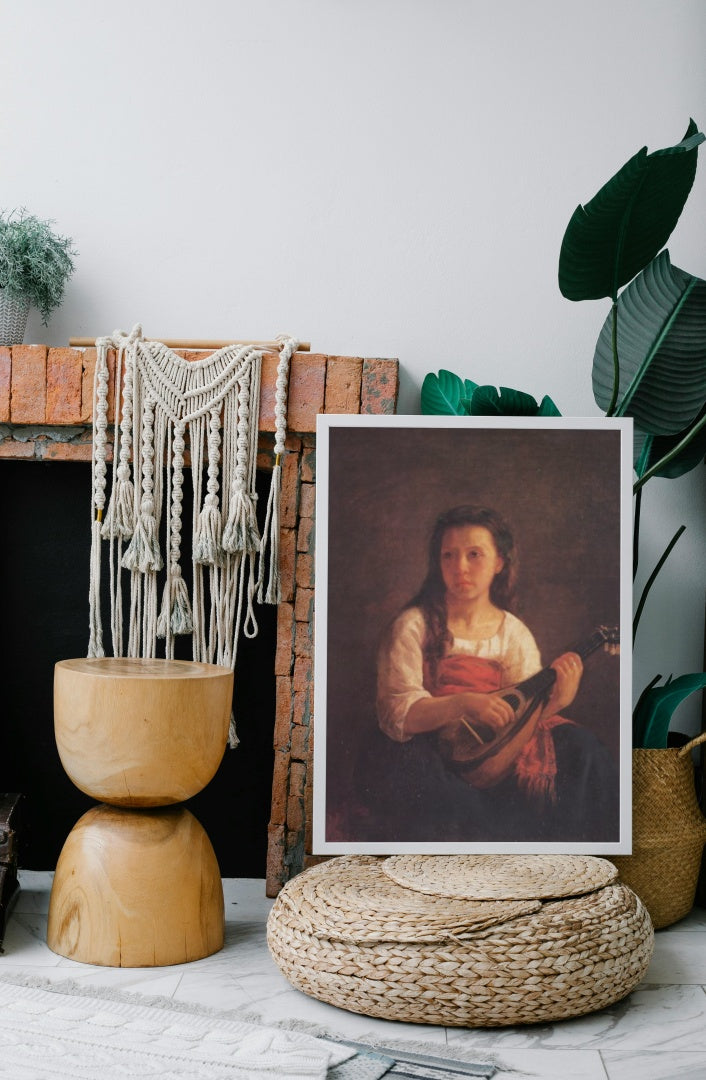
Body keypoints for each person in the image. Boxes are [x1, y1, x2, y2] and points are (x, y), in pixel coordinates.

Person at [373, 504, 619, 843]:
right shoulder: (413, 625)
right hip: (431, 747)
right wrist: (464, 704)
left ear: (499, 562)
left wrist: (559, 699)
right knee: (446, 798)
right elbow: (396, 713)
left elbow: (516, 718)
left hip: (494, 751)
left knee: (585, 751)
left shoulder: (513, 634)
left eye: (474, 554)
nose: (460, 567)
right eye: (449, 556)